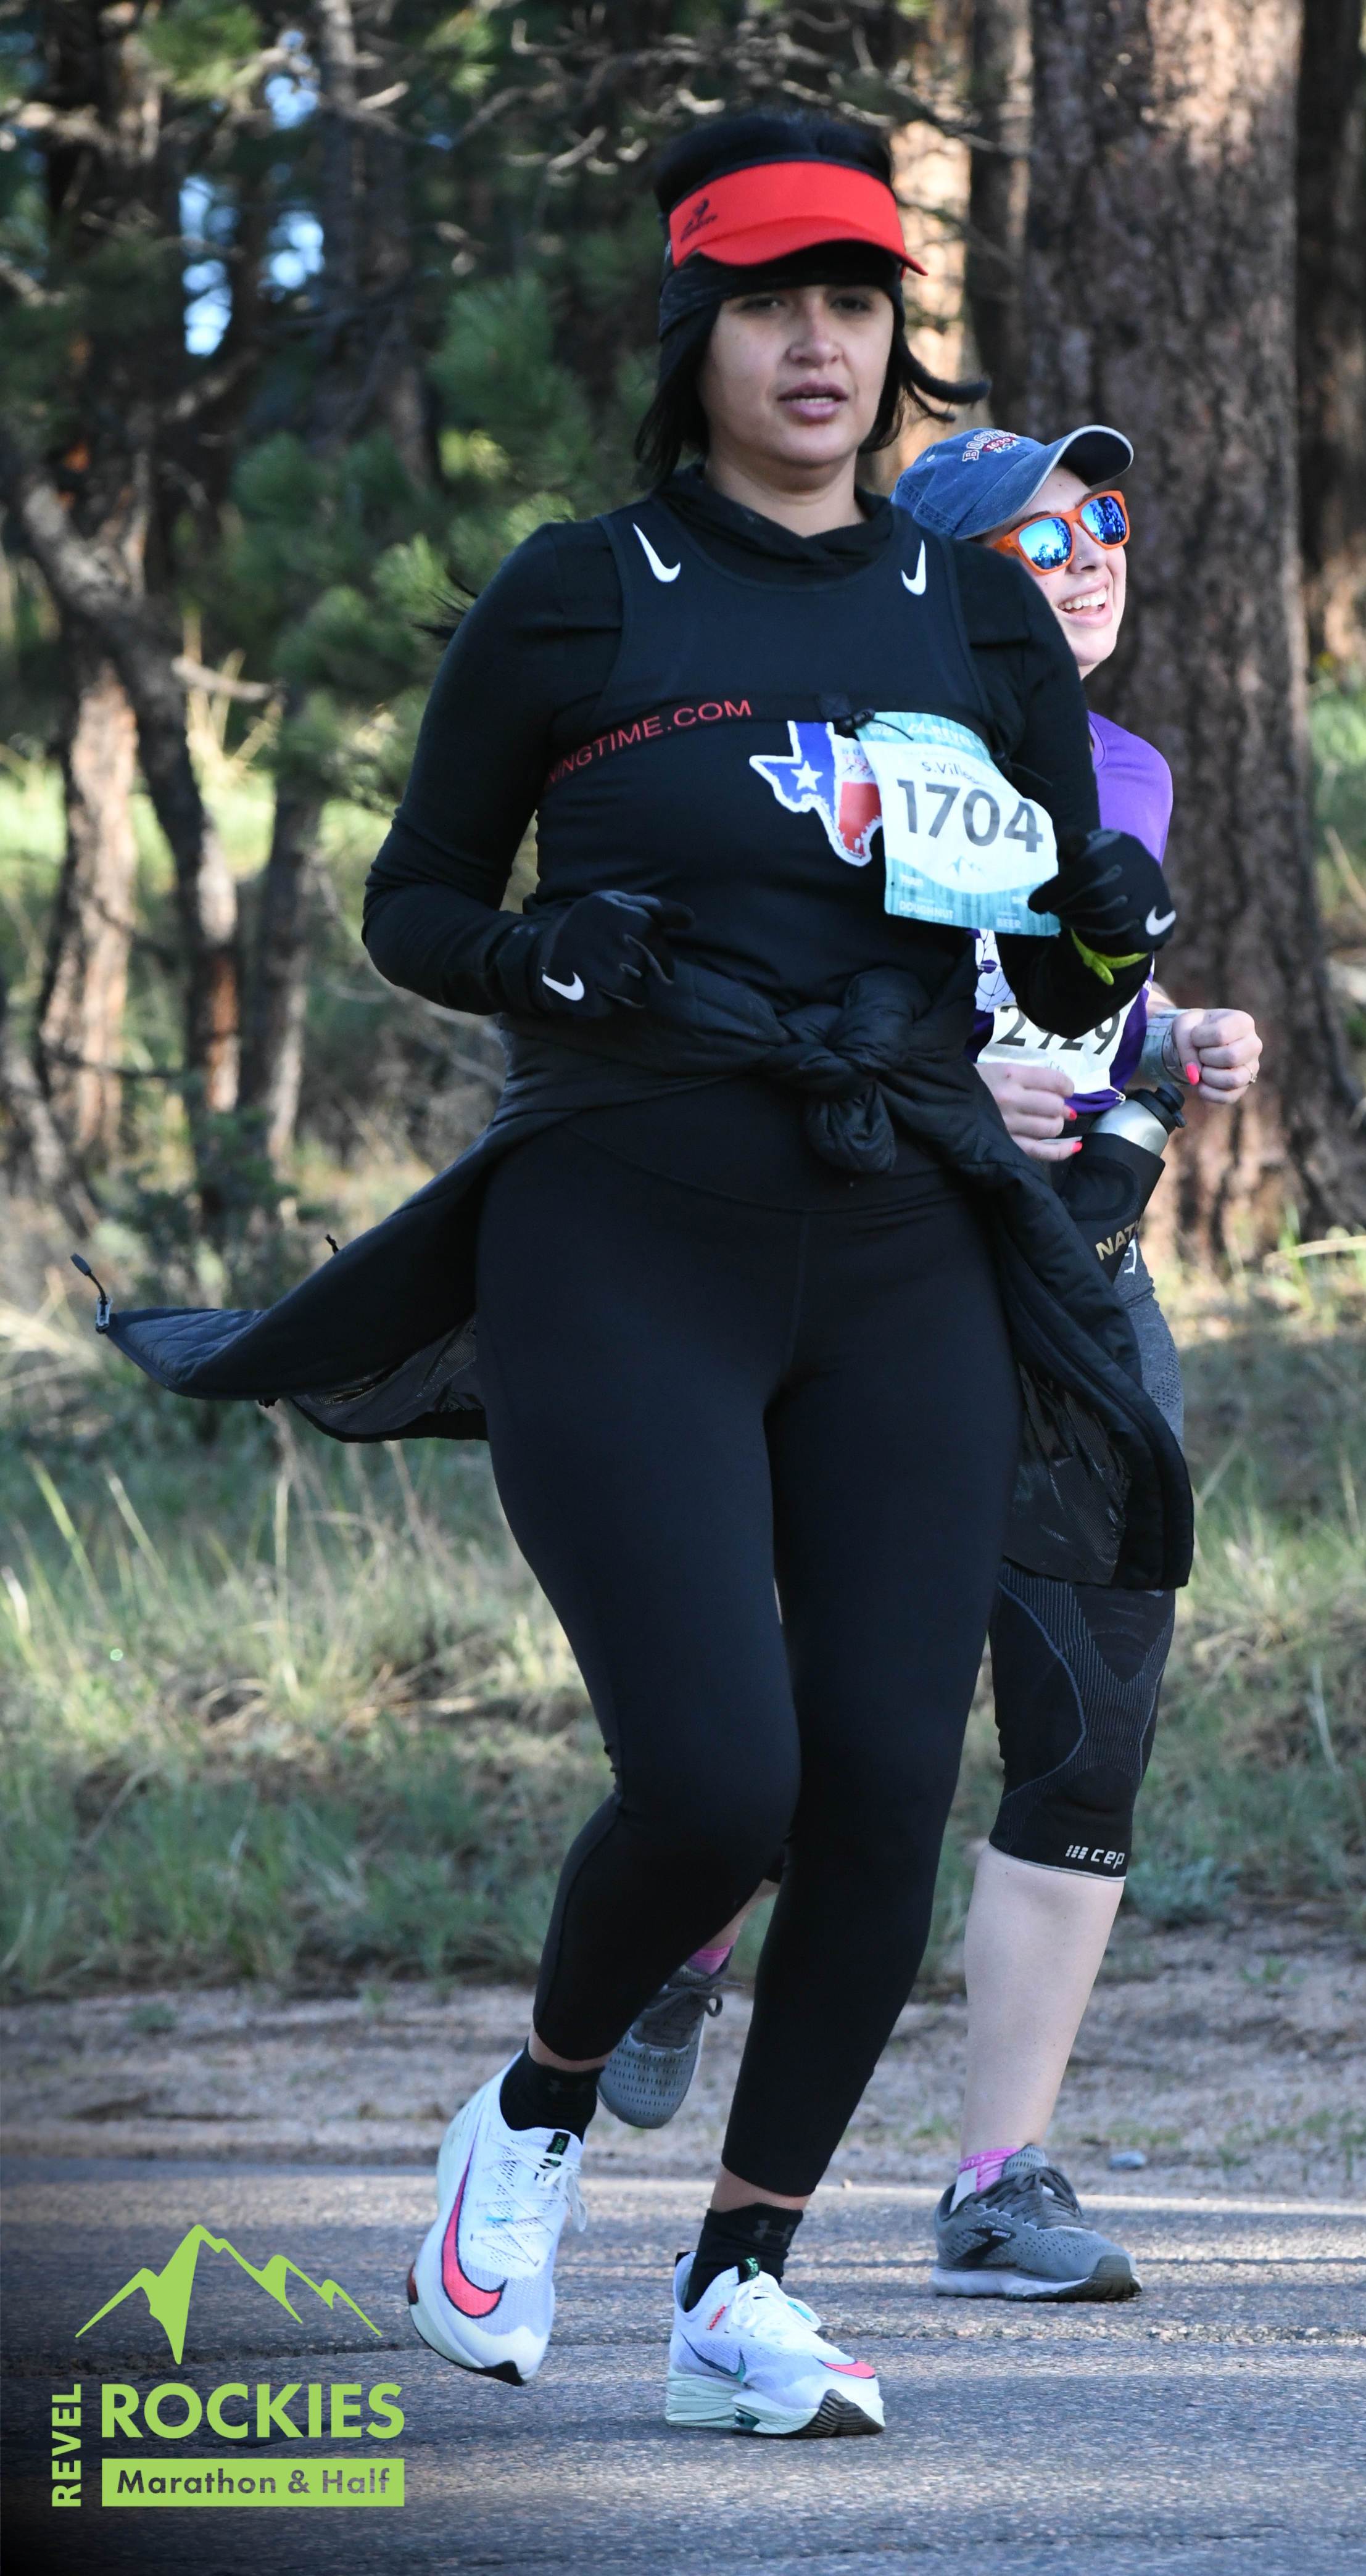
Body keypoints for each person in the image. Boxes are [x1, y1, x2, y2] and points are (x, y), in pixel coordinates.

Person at [88, 114, 1190, 2432]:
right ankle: (536, 2113)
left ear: (895, 342)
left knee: (880, 1782)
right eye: (774, 304)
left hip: (904, 1238)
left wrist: (1099, 935)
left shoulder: (975, 609)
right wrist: (539, 952)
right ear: (696, 336)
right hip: (624, 1227)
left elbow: (1047, 965)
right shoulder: (583, 592)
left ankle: (739, 2289)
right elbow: (415, 905)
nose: (820, 344)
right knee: (717, 1776)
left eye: (857, 303)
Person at [598, 423, 1262, 2303]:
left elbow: (1079, 1006)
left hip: (1080, 1284)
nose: (1091, 554)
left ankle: (999, 2178)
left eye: (1106, 521)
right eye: (1042, 538)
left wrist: (1176, 1041)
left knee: (1092, 1727)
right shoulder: (844, 761)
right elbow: (779, 1008)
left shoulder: (1124, 770)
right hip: (884, 1269)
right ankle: (679, 1940)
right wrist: (951, 1088)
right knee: (835, 1713)